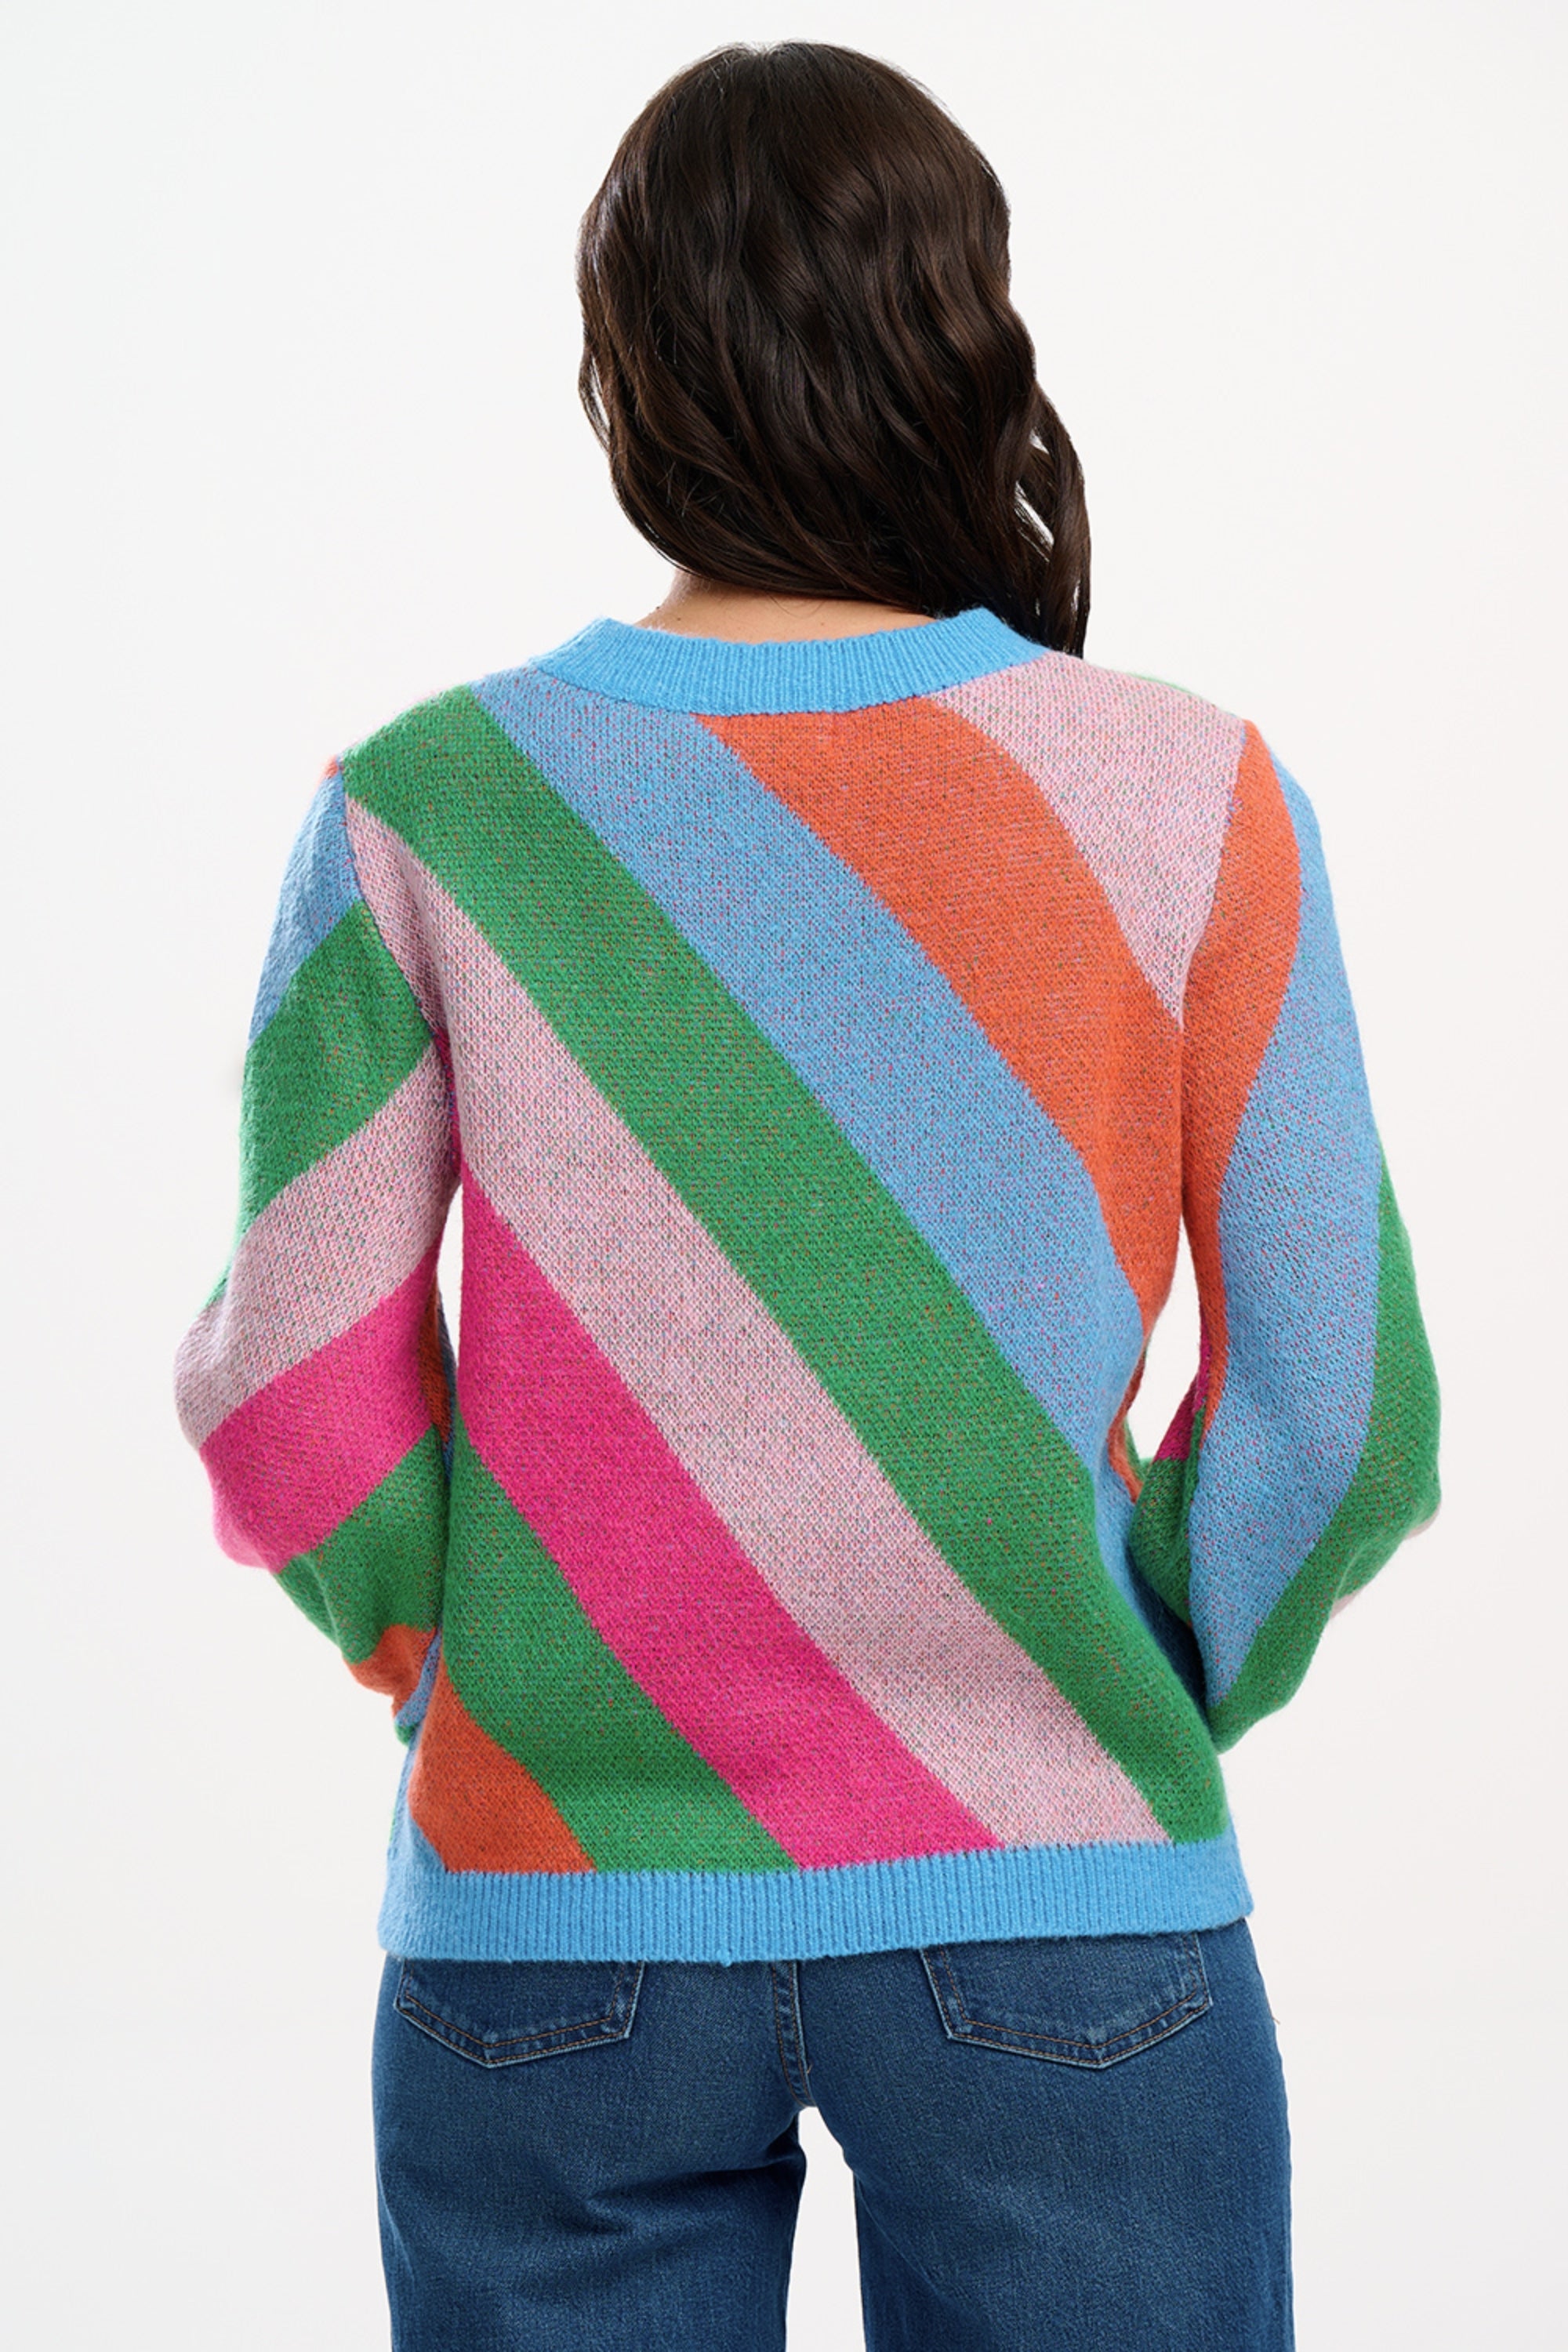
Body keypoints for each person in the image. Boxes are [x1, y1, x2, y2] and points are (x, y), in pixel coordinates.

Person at [174, 40, 1439, 2352]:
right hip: (1069, 1901)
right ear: (967, 331)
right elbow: (1342, 1409)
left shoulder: (423, 802)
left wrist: (475, 1676)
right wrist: (1115, 1685)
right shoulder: (1192, 792)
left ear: (624, 367)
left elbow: (287, 1395)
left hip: (549, 1916)